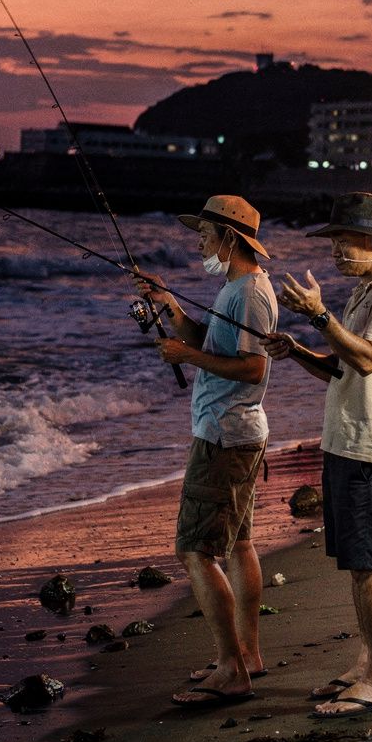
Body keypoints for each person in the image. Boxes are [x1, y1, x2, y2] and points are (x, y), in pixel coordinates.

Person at [264, 192, 372, 717]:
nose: (336, 252)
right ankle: (365, 662)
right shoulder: (364, 292)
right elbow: (341, 367)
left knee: (369, 563)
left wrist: (318, 315)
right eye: (333, 241)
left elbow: (369, 359)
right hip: (346, 440)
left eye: (345, 241)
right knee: (357, 565)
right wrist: (300, 351)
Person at [137, 194, 277, 708]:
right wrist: (170, 304)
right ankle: (248, 655)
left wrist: (185, 356)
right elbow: (213, 345)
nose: (198, 243)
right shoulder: (235, 289)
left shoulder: (251, 294)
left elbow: (254, 367)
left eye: (204, 235)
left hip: (225, 437)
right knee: (238, 543)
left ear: (229, 239)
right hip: (233, 434)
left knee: (196, 550)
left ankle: (230, 669)